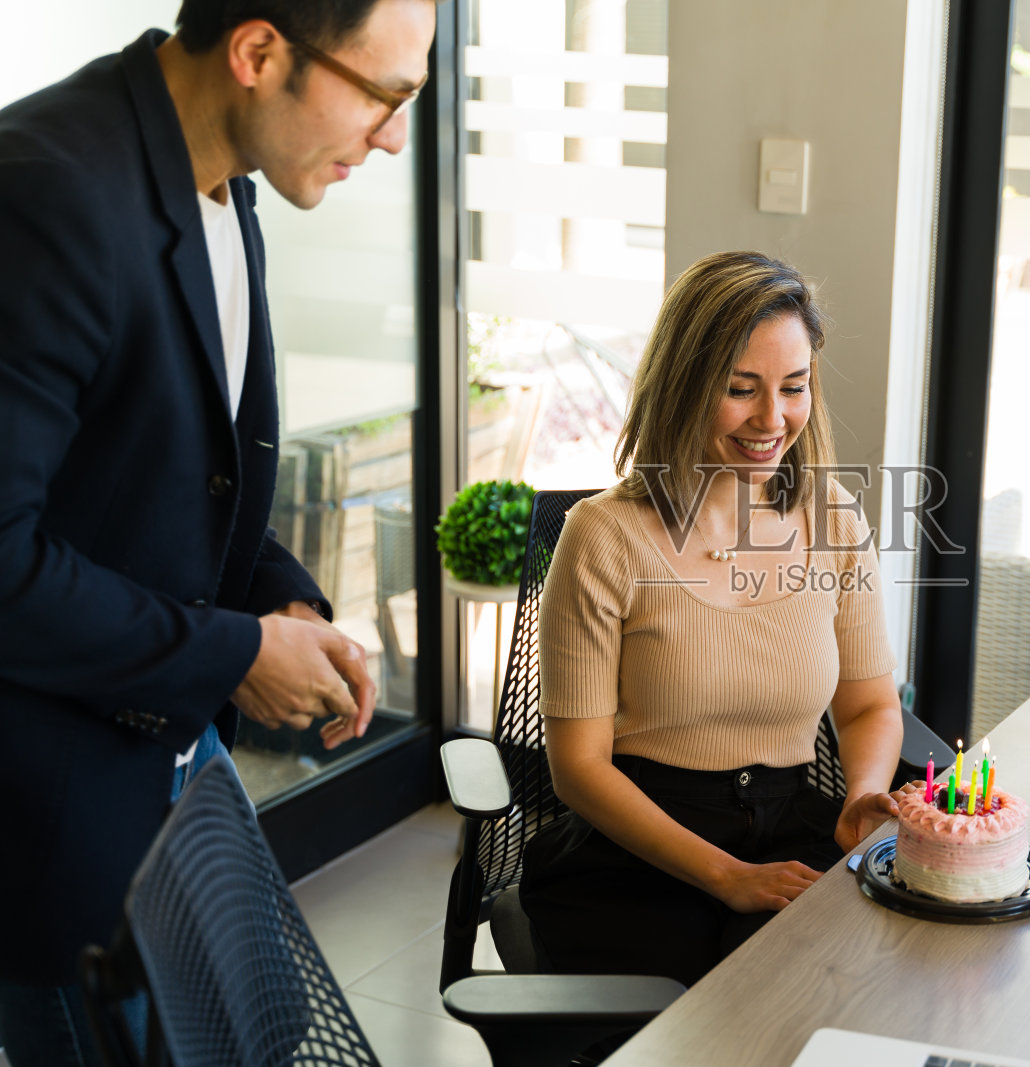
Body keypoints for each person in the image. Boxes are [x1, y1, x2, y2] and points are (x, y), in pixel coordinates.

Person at [0, 1, 437, 1062]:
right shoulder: (45, 189)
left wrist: (277, 595)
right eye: (387, 95)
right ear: (256, 52)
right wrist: (239, 654)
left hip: (174, 767)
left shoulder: (225, 182)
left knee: (265, 1035)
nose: (392, 137)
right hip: (51, 819)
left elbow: (174, 477)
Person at [520, 251, 905, 987]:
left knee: (875, 980)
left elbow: (868, 706)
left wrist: (860, 797)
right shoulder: (603, 535)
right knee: (734, 1014)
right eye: (740, 389)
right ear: (685, 385)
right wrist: (726, 875)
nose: (773, 418)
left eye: (794, 387)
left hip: (794, 825)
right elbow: (578, 768)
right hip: (639, 850)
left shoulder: (834, 520)